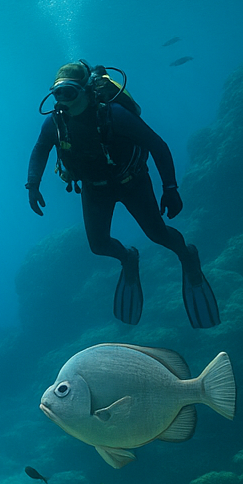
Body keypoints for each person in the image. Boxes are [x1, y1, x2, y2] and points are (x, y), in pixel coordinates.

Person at [26, 59, 219, 328]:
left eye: (69, 93)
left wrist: (170, 188)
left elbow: (157, 145)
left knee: (157, 234)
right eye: (57, 94)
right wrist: (32, 185)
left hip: (132, 182)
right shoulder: (55, 123)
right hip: (94, 189)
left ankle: (187, 256)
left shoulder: (114, 115)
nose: (63, 102)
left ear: (85, 91)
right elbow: (40, 150)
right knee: (98, 246)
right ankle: (128, 258)